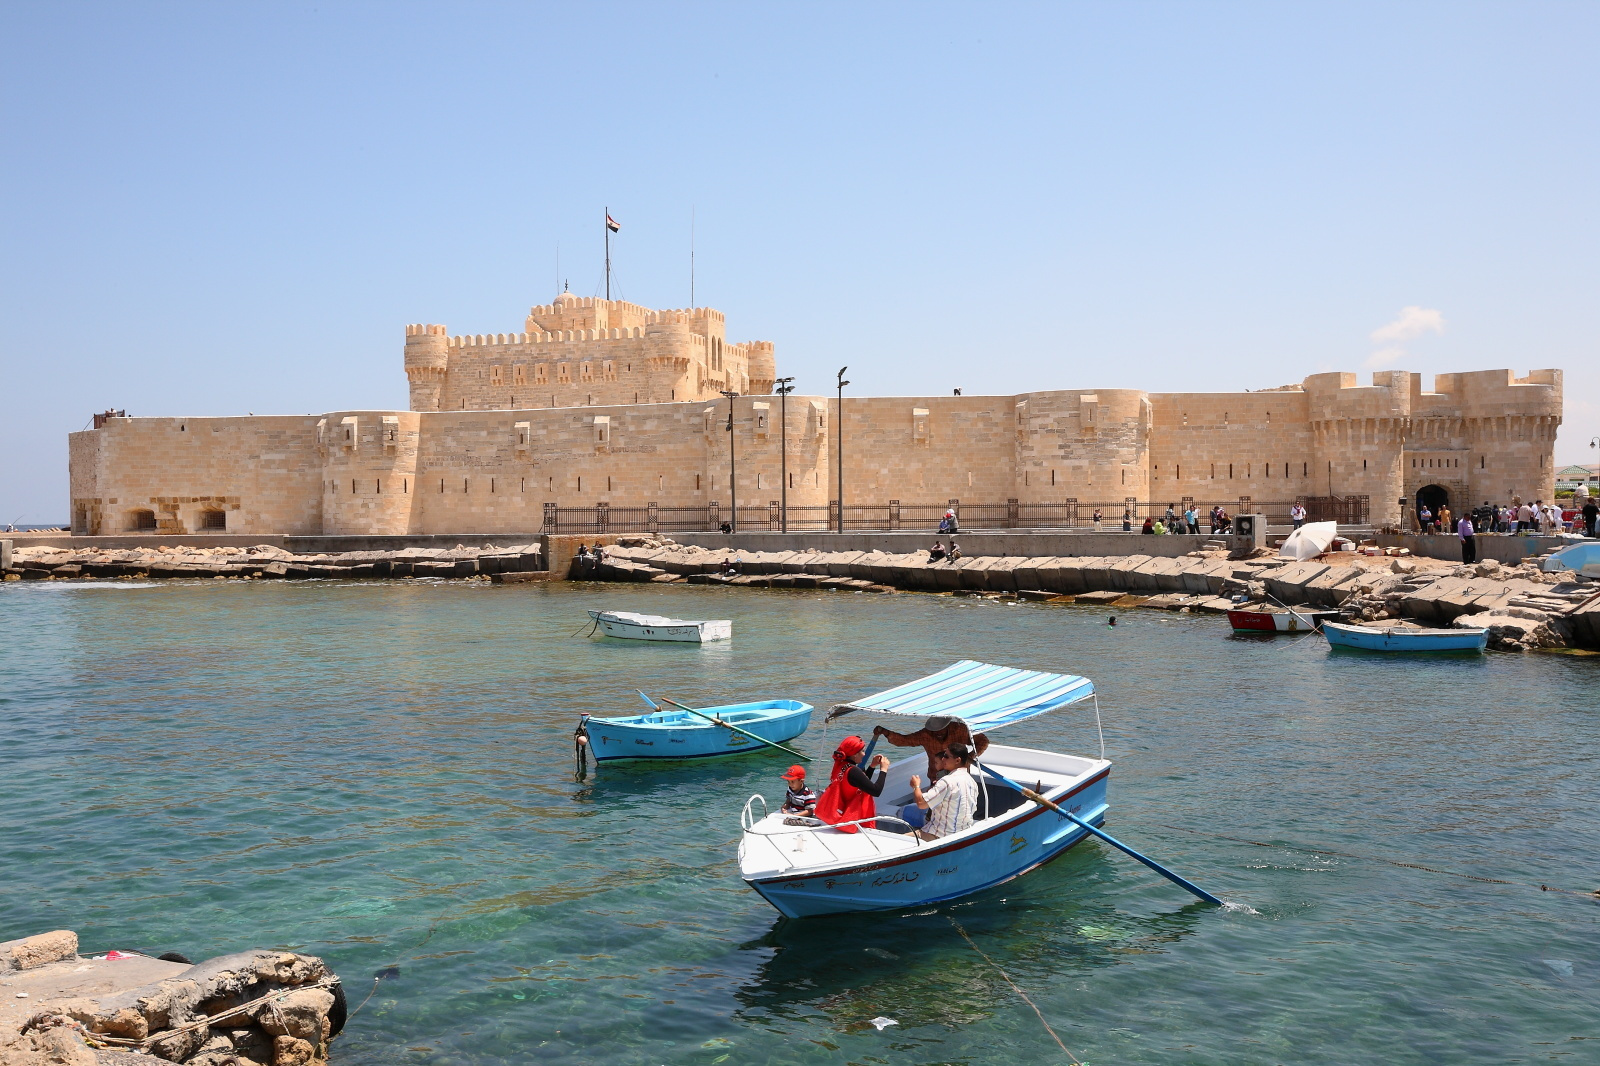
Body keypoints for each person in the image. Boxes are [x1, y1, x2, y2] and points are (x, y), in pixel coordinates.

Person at [812, 736, 890, 834]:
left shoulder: (840, 765)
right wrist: (884, 770)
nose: (864, 754)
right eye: (862, 751)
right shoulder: (853, 771)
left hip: (841, 814)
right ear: (854, 755)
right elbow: (875, 790)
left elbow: (861, 784)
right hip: (852, 818)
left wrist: (872, 766)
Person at [908, 743, 979, 841]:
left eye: (946, 756)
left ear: (957, 760)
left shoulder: (947, 781)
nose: (943, 759)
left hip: (939, 835)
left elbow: (921, 804)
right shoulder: (972, 782)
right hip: (961, 834)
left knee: (896, 841)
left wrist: (916, 786)